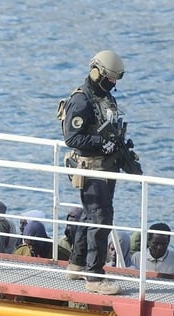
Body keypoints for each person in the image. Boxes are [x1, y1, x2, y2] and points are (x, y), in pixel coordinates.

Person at [63, 50, 127, 295]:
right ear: (98, 73)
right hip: (92, 168)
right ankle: (95, 276)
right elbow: (72, 137)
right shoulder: (82, 100)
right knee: (101, 219)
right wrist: (100, 143)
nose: (113, 84)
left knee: (90, 217)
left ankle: (77, 264)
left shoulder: (105, 97)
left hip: (107, 166)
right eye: (110, 79)